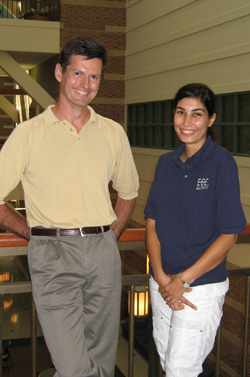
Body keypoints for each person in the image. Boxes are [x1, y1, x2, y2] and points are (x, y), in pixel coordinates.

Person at [0, 36, 139, 377]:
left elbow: (128, 192)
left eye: (93, 77)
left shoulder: (112, 132)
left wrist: (112, 234)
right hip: (52, 251)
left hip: (103, 250)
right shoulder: (28, 133)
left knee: (103, 358)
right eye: (78, 74)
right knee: (74, 366)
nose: (85, 84)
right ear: (60, 72)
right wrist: (28, 231)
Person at [144, 83, 246, 377]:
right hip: (162, 284)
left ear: (211, 119)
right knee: (168, 362)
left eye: (197, 114)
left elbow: (230, 233)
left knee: (180, 369)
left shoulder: (221, 163)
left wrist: (182, 281)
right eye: (180, 112)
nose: (187, 122)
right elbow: (151, 223)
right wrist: (163, 278)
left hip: (199, 288)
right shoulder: (166, 163)